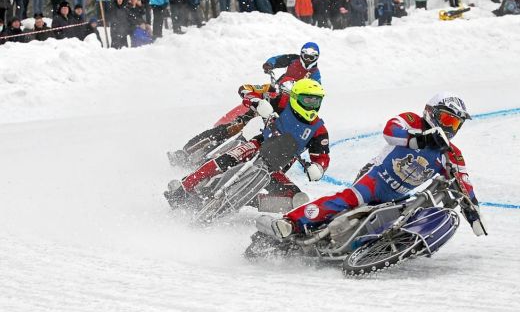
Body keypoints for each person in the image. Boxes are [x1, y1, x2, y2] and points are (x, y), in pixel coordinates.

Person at [267, 92, 487, 240]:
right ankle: (291, 223)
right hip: (375, 178)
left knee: (398, 216)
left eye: (456, 123)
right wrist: (419, 139)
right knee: (348, 200)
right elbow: (390, 131)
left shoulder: (452, 154)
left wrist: (473, 213)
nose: (450, 128)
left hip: (399, 195)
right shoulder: (413, 121)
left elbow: (463, 182)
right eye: (447, 120)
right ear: (432, 113)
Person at [165, 78, 331, 211]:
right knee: (223, 161)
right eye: (308, 100)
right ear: (295, 97)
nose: (312, 105)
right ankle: (183, 189)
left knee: (296, 199)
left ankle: (248, 200)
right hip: (258, 146)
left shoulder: (318, 130)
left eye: (316, 101)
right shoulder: (281, 101)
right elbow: (245, 89)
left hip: (275, 168)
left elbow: (322, 156)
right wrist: (257, 103)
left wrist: (318, 167)